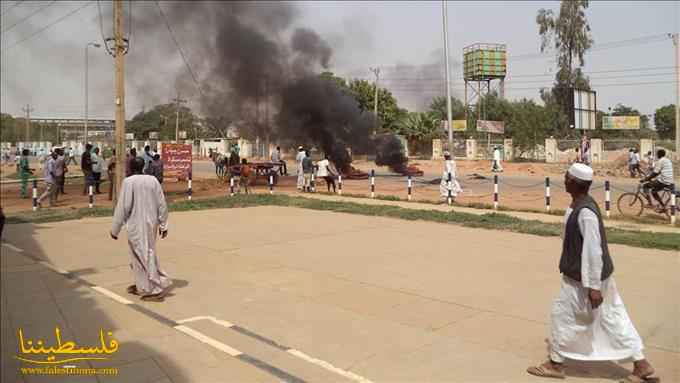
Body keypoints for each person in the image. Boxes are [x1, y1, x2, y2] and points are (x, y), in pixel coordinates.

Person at [527, 163, 656, 382]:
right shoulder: (578, 205)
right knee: (612, 318)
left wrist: (593, 286)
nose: (565, 180)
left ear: (575, 183)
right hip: (588, 277)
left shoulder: (585, 212)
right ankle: (641, 363)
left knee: (562, 316)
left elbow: (593, 251)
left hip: (583, 280)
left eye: (567, 178)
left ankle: (555, 364)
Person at [110, 157, 171, 302]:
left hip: (136, 225)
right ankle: (143, 285)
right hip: (151, 223)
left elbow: (123, 207)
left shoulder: (128, 182)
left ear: (131, 167)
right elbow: (162, 204)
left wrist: (115, 229)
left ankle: (156, 288)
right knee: (138, 255)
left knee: (145, 253)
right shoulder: (153, 180)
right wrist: (163, 224)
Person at [640, 148, 675, 213]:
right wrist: (650, 177)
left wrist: (645, 179)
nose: (656, 155)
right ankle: (662, 205)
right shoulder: (668, 160)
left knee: (645, 186)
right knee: (654, 189)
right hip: (670, 180)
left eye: (657, 154)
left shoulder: (660, 161)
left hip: (664, 181)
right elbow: (658, 172)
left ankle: (651, 204)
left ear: (658, 155)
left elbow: (655, 173)